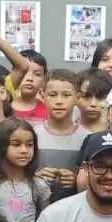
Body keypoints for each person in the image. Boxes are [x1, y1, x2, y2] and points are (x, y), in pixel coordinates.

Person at [34, 68, 87, 203]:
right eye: (52, 95)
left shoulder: (87, 139)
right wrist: (35, 178)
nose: (59, 101)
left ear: (77, 97)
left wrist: (78, 180)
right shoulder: (32, 135)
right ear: (42, 95)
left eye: (66, 95)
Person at [10, 52, 50, 123]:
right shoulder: (4, 109)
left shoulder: (48, 111)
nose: (30, 78)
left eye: (37, 74)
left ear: (44, 80)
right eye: (24, 73)